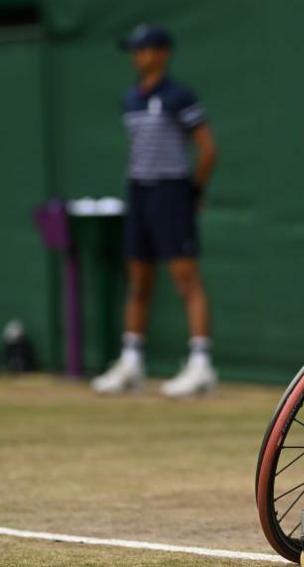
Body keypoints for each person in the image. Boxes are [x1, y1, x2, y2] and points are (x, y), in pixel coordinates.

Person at [91, 24, 219, 397]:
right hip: (140, 192)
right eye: (135, 50)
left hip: (172, 191)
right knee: (139, 279)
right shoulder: (129, 98)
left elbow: (208, 150)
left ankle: (201, 364)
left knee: (185, 278)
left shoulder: (180, 97)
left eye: (144, 49)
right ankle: (131, 362)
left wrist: (192, 191)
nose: (138, 56)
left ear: (162, 53)